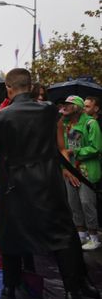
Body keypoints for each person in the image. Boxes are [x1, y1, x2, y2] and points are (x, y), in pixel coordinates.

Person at [0, 68, 97, 299]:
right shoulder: (49, 110)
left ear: (9, 88)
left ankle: (9, 291)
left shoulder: (1, 117)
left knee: (12, 238)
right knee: (62, 237)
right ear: (30, 86)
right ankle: (72, 294)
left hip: (15, 186)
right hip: (48, 183)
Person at [59, 95, 101, 251]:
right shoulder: (65, 125)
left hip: (87, 170)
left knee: (86, 202)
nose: (65, 106)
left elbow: (96, 148)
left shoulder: (91, 123)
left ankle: (94, 237)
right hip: (70, 170)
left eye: (68, 104)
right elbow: (61, 147)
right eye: (64, 104)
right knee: (73, 202)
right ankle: (81, 234)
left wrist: (74, 151)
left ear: (77, 107)